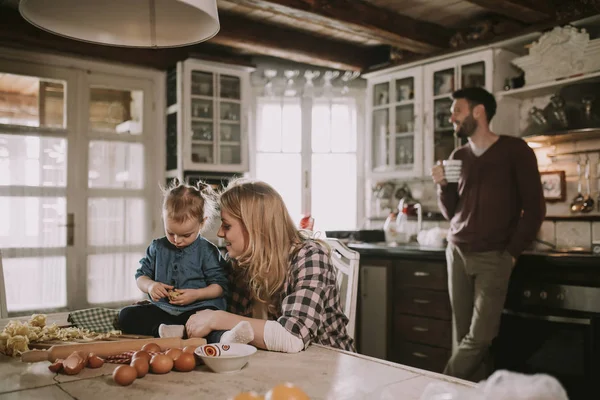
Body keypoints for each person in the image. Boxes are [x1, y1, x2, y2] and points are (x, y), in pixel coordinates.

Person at [430, 87, 545, 381]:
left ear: (478, 111)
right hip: (456, 252)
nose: (451, 117)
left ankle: (436, 390)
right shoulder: (458, 155)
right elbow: (451, 211)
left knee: (479, 338)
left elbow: (535, 209)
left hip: (494, 256)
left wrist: (511, 254)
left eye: (457, 110)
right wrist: (442, 186)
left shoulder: (516, 151)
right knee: (463, 336)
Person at [184, 179, 355, 353]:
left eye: (227, 225)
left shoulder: (310, 257)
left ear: (255, 227)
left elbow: (292, 337)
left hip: (328, 366)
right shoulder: (241, 261)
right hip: (277, 364)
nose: (220, 233)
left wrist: (217, 319)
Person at [118, 180, 232, 343]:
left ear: (202, 223)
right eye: (171, 233)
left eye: (186, 235)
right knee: (126, 315)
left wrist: (197, 295)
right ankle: (168, 331)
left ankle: (225, 337)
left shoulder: (207, 251)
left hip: (198, 311)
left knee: (215, 319)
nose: (177, 240)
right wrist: (150, 286)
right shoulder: (157, 247)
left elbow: (220, 287)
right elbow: (141, 276)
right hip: (163, 309)